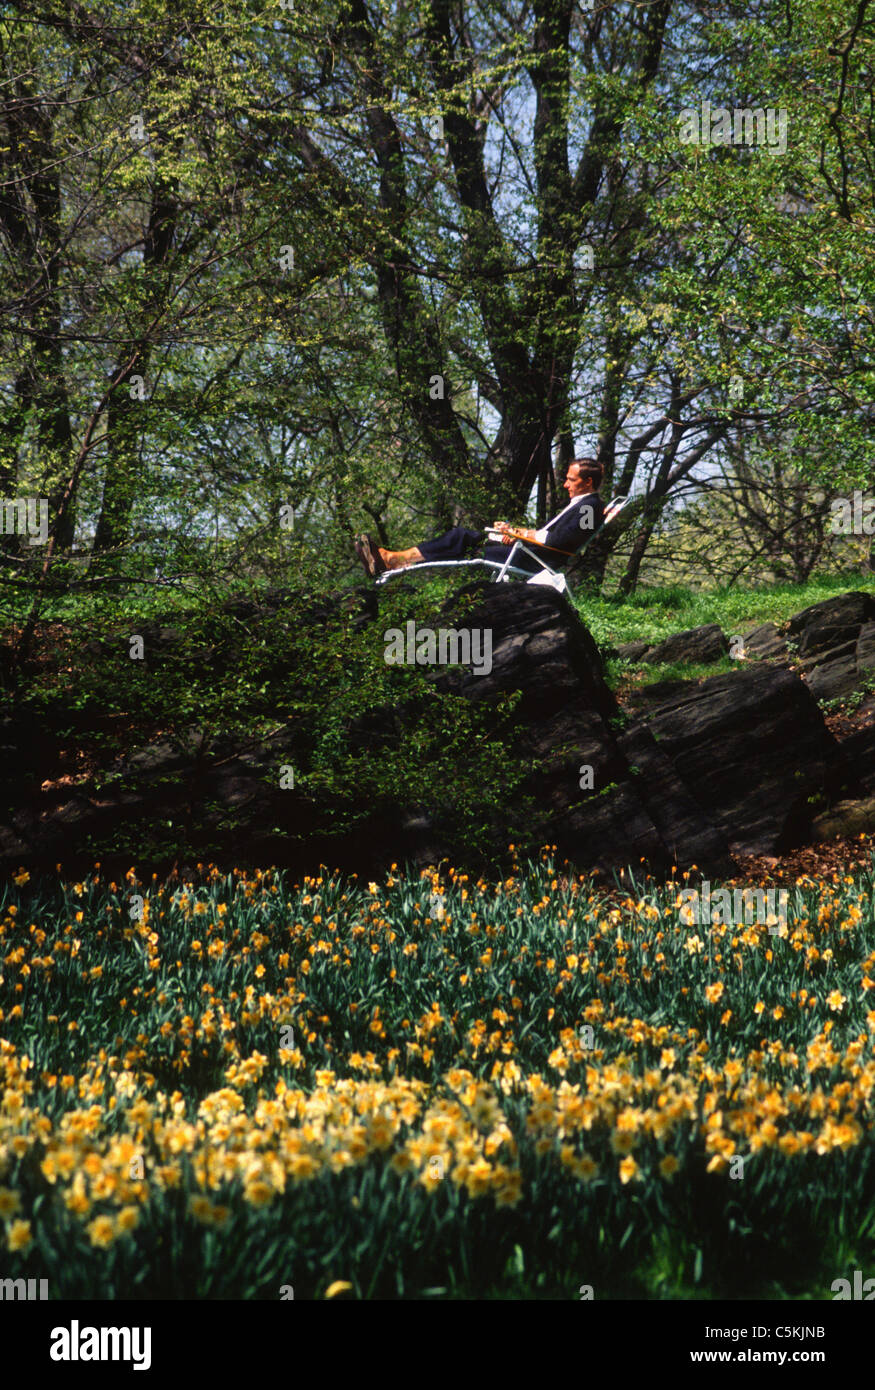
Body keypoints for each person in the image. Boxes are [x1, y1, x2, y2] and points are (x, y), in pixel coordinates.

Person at [355, 458, 606, 578]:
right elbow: (555, 537)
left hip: (533, 560)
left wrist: (519, 536)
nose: (565, 485)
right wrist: (514, 532)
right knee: (461, 536)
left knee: (463, 541)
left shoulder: (589, 508)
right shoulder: (582, 505)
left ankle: (393, 561)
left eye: (571, 480)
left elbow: (563, 542)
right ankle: (394, 560)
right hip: (528, 551)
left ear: (588, 482)